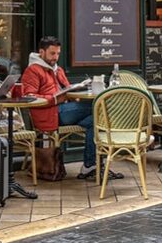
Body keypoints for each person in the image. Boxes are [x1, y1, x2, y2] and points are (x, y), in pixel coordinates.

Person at [21, 36, 120, 180]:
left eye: (58, 54)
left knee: (96, 119)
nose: (56, 57)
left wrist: (76, 92)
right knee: (99, 106)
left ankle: (90, 166)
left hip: (65, 110)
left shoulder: (58, 70)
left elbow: (67, 90)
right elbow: (29, 97)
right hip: (50, 114)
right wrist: (55, 98)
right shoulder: (33, 71)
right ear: (41, 52)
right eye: (52, 53)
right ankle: (98, 160)